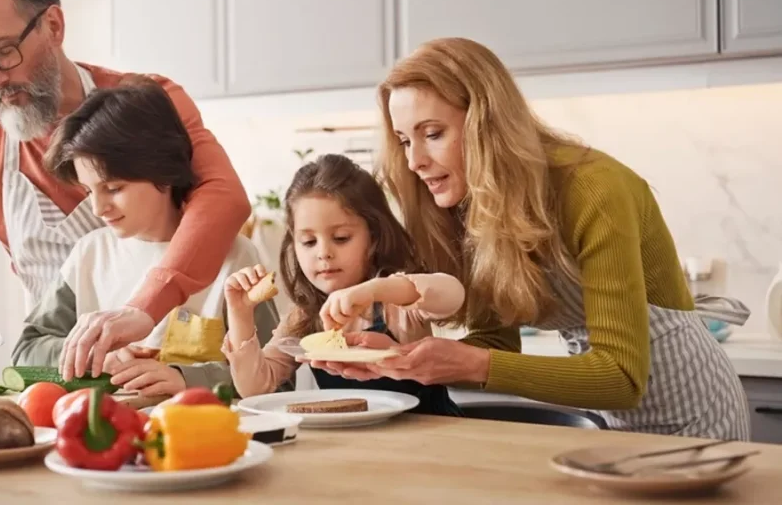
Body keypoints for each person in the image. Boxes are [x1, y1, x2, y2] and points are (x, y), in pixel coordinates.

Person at [315, 37, 750, 439]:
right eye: (404, 140)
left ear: (489, 122)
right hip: (613, 426)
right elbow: (494, 345)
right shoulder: (470, 207)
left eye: (433, 134)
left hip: (696, 415)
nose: (414, 161)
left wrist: (474, 364)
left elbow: (622, 378)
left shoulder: (596, 189)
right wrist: (397, 359)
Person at [0, 0, 250, 380]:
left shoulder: (147, 101)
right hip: (61, 376)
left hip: (163, 370)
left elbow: (223, 197)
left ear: (53, 25)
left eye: (3, 52)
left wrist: (141, 310)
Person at [11, 80, 279, 395]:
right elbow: (26, 352)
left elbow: (277, 377)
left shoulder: (236, 256)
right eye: (89, 191)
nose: (98, 209)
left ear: (163, 174)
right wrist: (97, 356)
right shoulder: (89, 254)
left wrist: (187, 379)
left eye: (113, 188)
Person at [221, 153, 466, 416]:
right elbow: (255, 388)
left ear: (374, 237)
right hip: (353, 443)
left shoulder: (397, 305)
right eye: (309, 242)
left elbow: (452, 295)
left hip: (430, 436)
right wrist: (239, 312)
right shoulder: (304, 318)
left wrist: (375, 289)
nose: (323, 253)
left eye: (340, 238)